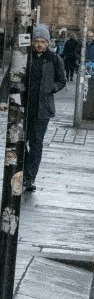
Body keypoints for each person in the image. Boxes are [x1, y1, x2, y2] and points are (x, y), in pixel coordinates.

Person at [0, 25, 67, 192]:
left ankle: (30, 178)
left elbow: (62, 80)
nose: (39, 44)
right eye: (36, 41)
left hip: (42, 110)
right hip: (22, 108)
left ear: (47, 43)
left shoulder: (54, 59)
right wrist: (3, 99)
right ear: (32, 42)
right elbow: (8, 78)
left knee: (36, 144)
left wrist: (51, 88)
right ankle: (24, 172)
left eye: (42, 42)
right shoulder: (23, 57)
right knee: (21, 142)